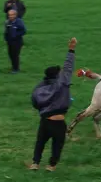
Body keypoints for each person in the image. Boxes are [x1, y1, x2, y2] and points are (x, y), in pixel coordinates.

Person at [30, 38, 77, 172]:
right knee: (57, 145)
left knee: (40, 143)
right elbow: (68, 67)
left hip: (45, 121)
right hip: (58, 122)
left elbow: (34, 102)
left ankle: (35, 163)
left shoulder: (40, 88)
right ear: (57, 75)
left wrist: (43, 110)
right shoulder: (62, 83)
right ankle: (51, 166)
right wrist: (71, 49)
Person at [4, 9, 26, 73]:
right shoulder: (8, 22)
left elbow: (24, 31)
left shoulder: (19, 22)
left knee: (15, 55)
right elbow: (6, 32)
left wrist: (16, 35)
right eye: (9, 15)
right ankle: (13, 67)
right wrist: (6, 39)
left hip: (17, 42)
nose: (10, 16)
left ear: (15, 15)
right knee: (10, 54)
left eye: (12, 15)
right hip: (10, 42)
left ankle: (16, 69)